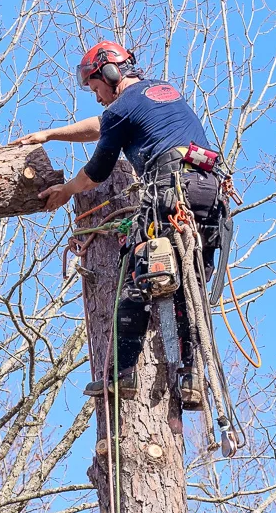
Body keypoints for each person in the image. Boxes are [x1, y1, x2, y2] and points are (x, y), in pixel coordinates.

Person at [14, 40, 224, 402]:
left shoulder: (123, 107)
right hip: (208, 195)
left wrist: (65, 190)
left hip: (170, 193)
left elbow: (98, 170)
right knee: (188, 287)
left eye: (96, 88)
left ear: (110, 74)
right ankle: (191, 378)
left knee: (141, 274)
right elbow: (101, 125)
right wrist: (50, 134)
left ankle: (121, 374)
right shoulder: (160, 93)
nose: (97, 97)